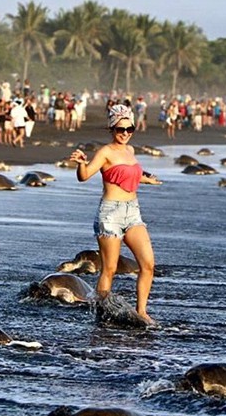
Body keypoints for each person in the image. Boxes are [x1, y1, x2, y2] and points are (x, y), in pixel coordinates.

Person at [69, 104, 162, 325]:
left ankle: (141, 312)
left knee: (148, 265)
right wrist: (81, 164)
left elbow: (129, 175)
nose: (125, 134)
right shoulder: (105, 152)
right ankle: (101, 314)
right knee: (109, 269)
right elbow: (85, 176)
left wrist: (148, 179)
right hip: (110, 214)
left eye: (130, 129)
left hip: (133, 212)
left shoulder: (130, 151)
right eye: (121, 130)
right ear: (112, 128)